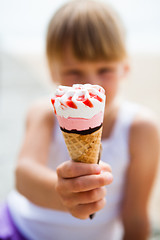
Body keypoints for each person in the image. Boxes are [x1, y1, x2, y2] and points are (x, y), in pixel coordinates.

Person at [0, 1, 159, 240]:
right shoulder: (44, 112)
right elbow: (24, 175)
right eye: (74, 72)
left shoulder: (141, 129)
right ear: (53, 72)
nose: (91, 83)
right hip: (23, 230)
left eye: (105, 69)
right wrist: (62, 191)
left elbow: (135, 216)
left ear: (125, 68)